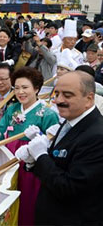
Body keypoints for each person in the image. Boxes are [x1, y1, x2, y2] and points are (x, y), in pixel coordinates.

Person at [16, 71, 103, 225]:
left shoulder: (97, 136)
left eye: (67, 95)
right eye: (57, 94)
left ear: (89, 99)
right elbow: (57, 165)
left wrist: (41, 156)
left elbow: (69, 188)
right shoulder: (70, 119)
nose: (58, 101)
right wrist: (33, 162)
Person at [0, 67, 59, 226]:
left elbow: (53, 144)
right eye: (17, 88)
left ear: (36, 88)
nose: (20, 92)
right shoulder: (13, 108)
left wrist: (39, 139)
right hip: (9, 157)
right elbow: (0, 130)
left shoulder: (48, 113)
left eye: (25, 87)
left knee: (27, 198)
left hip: (30, 164)